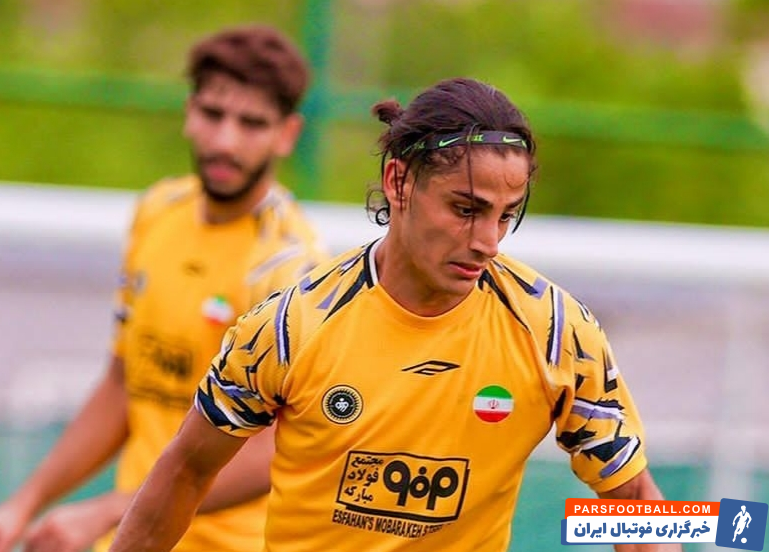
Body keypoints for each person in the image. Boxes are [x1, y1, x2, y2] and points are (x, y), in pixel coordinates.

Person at [106, 77, 680, 552]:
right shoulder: (290, 328)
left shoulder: (555, 332)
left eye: (506, 215)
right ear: (398, 181)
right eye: (466, 209)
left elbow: (636, 506)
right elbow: (185, 472)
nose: (488, 241)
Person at [0, 23, 327, 552]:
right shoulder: (158, 212)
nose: (225, 141)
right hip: (135, 537)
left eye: (251, 123)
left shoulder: (289, 266)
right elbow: (123, 385)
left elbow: (278, 445)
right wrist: (22, 505)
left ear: (287, 134)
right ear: (189, 112)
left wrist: (107, 509)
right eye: (213, 114)